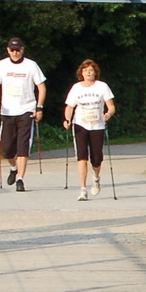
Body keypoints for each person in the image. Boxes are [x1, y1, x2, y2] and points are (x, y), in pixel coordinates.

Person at [0, 38, 45, 191]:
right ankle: (13, 168)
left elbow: (41, 86)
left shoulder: (31, 65)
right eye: (12, 50)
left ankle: (20, 179)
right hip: (7, 111)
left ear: (22, 49)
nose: (15, 52)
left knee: (23, 146)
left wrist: (39, 107)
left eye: (18, 49)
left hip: (26, 110)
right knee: (7, 148)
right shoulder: (2, 65)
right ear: (8, 50)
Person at [62, 59, 115, 201]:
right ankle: (83, 189)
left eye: (91, 70)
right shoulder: (76, 88)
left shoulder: (102, 86)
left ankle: (96, 178)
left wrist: (108, 114)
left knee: (96, 158)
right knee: (82, 157)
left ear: (95, 72)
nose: (88, 73)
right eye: (85, 71)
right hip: (80, 125)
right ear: (81, 73)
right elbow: (69, 107)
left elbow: (111, 106)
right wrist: (67, 120)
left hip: (97, 126)